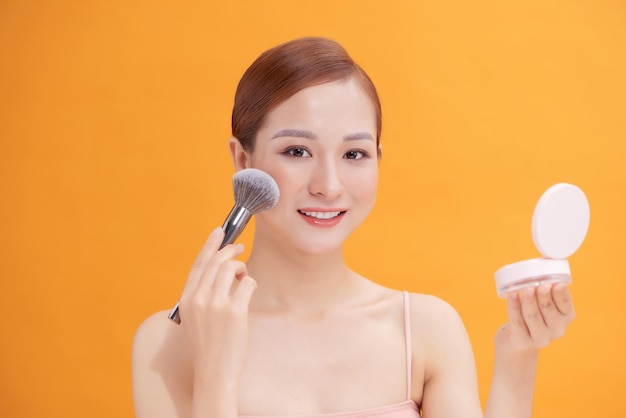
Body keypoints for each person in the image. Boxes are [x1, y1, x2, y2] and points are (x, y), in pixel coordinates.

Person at [132, 37, 575, 418]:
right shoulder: (167, 345)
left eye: (354, 154)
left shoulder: (424, 329)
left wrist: (519, 356)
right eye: (297, 151)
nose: (328, 186)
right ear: (243, 161)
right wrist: (217, 375)